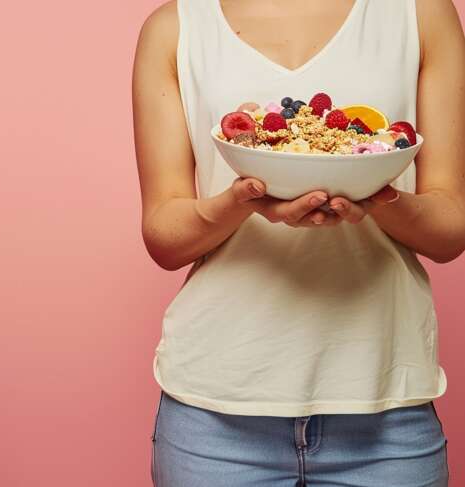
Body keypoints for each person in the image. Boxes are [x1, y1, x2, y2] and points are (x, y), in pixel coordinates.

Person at [132, 0, 464, 485]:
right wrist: (241, 198)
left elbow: (450, 230)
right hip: (215, 415)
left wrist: (380, 196)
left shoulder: (419, 14)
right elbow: (164, 237)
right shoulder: (175, 27)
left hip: (385, 408)